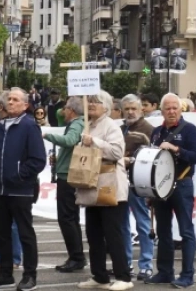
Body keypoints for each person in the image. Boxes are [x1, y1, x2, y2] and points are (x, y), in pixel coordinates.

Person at [0, 88, 46, 291]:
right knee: (2, 233)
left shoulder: (29, 126)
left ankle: (29, 275)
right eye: (9, 99)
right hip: (0, 190)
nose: (10, 102)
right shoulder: (0, 126)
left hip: (20, 190)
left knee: (25, 233)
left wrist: (18, 175)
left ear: (25, 105)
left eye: (15, 99)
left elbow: (38, 160)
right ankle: (5, 273)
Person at [75, 91, 132, 291]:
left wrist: (95, 142)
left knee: (113, 234)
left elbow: (117, 152)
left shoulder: (112, 126)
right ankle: (99, 275)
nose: (90, 104)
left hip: (110, 187)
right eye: (90, 101)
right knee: (94, 234)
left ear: (106, 107)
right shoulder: (89, 125)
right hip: (92, 187)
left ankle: (123, 276)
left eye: (95, 102)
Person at [146, 93, 196, 289]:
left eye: (174, 108)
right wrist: (150, 191)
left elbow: (195, 157)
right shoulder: (156, 132)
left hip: (181, 184)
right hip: (160, 188)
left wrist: (176, 149)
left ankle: (187, 275)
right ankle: (165, 271)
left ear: (180, 109)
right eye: (167, 108)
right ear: (162, 111)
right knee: (163, 230)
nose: (171, 111)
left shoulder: (190, 130)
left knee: (186, 231)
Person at [44, 97, 87, 273]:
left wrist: (47, 134)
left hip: (68, 176)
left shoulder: (77, 124)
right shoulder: (79, 123)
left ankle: (76, 256)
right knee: (71, 218)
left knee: (67, 218)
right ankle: (76, 256)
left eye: (66, 108)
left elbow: (69, 140)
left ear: (72, 110)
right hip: (69, 173)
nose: (63, 111)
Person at [120, 94, 155, 280]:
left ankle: (146, 265)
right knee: (122, 225)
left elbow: (154, 157)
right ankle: (125, 264)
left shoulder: (148, 129)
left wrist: (130, 158)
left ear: (142, 109)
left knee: (143, 224)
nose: (130, 112)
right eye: (127, 109)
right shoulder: (120, 128)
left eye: (134, 108)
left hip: (139, 183)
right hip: (119, 182)